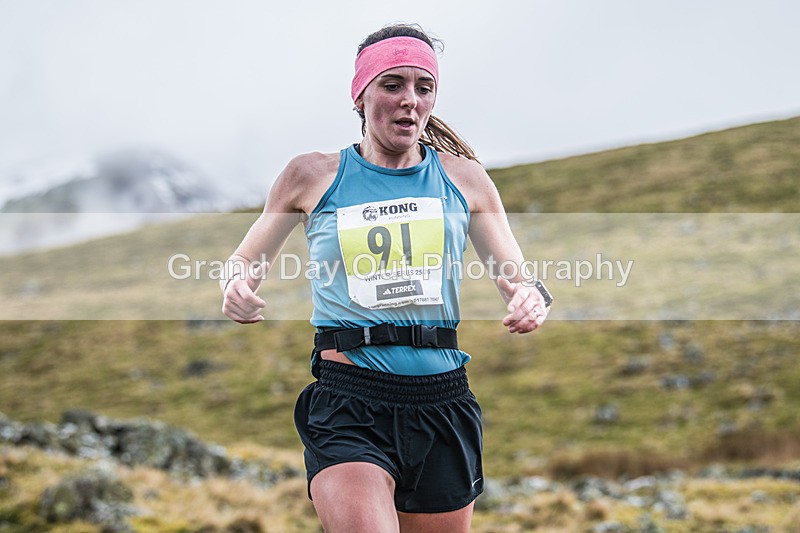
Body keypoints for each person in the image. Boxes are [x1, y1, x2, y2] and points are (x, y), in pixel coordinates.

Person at [221, 23, 552, 533]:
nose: (410, 100)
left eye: (424, 87)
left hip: (442, 402)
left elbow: (520, 280)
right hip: (350, 401)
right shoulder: (312, 175)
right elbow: (244, 260)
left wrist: (531, 299)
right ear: (360, 95)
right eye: (392, 85)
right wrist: (236, 287)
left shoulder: (465, 179)